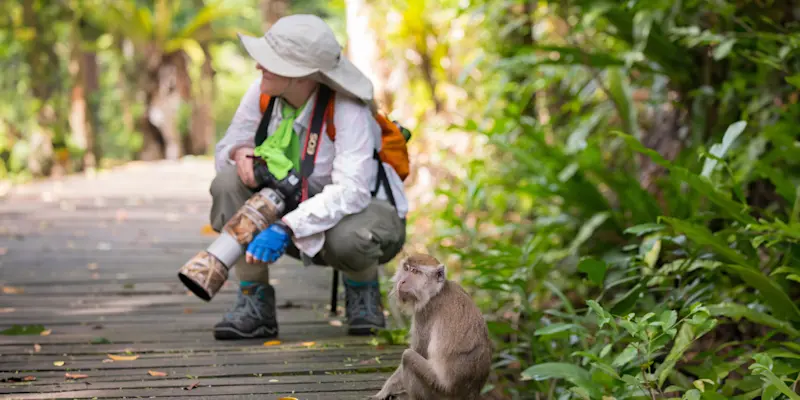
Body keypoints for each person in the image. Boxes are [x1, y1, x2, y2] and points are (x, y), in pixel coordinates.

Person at [208, 14, 409, 340]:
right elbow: (227, 148)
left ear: (303, 75)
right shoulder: (263, 94)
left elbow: (353, 191)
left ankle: (363, 293)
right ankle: (253, 304)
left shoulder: (347, 107)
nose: (260, 66)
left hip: (363, 217)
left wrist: (287, 227)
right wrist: (239, 154)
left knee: (348, 237)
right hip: (289, 204)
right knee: (228, 183)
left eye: (272, 62)